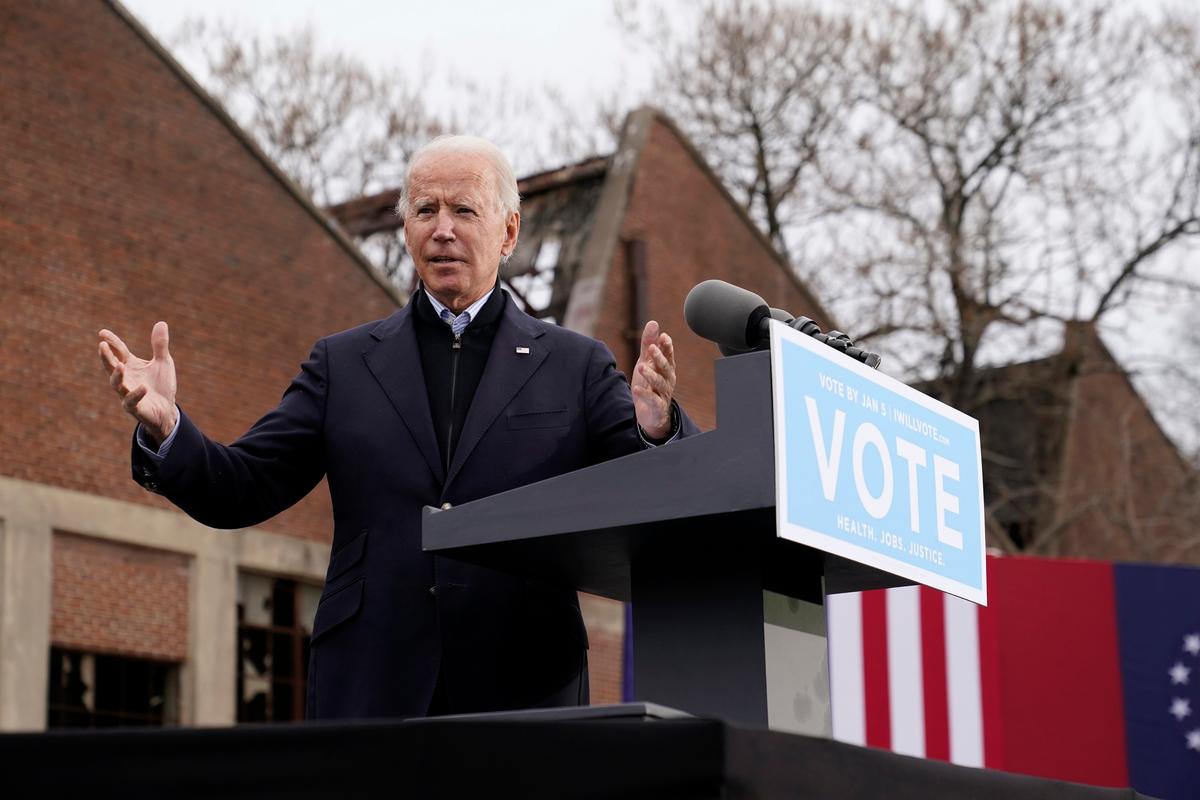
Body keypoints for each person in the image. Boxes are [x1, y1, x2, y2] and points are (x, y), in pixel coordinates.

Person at [98, 135, 695, 720]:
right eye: (425, 209)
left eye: (465, 210)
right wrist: (168, 427)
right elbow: (244, 485)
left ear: (508, 232)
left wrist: (656, 425)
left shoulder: (575, 365)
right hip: (371, 682)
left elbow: (654, 497)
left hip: (524, 684)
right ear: (406, 228)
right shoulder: (342, 364)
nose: (443, 229)